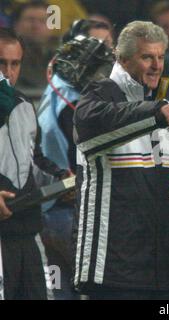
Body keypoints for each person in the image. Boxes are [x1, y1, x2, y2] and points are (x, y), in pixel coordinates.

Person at [72, 21, 169, 300]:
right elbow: (89, 127)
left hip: (164, 272)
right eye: (147, 57)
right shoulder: (100, 95)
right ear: (122, 59)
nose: (157, 65)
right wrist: (155, 113)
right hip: (113, 273)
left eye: (160, 57)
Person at [36, 19, 114, 300]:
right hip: (70, 210)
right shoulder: (73, 98)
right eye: (95, 47)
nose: (103, 55)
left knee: (62, 292)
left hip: (52, 209)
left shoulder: (59, 85)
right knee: (106, 287)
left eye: (107, 46)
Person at [0, 27, 67, 300]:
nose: (8, 71)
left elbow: (33, 161)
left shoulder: (24, 104)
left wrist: (62, 179)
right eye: (1, 63)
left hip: (27, 229)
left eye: (15, 63)